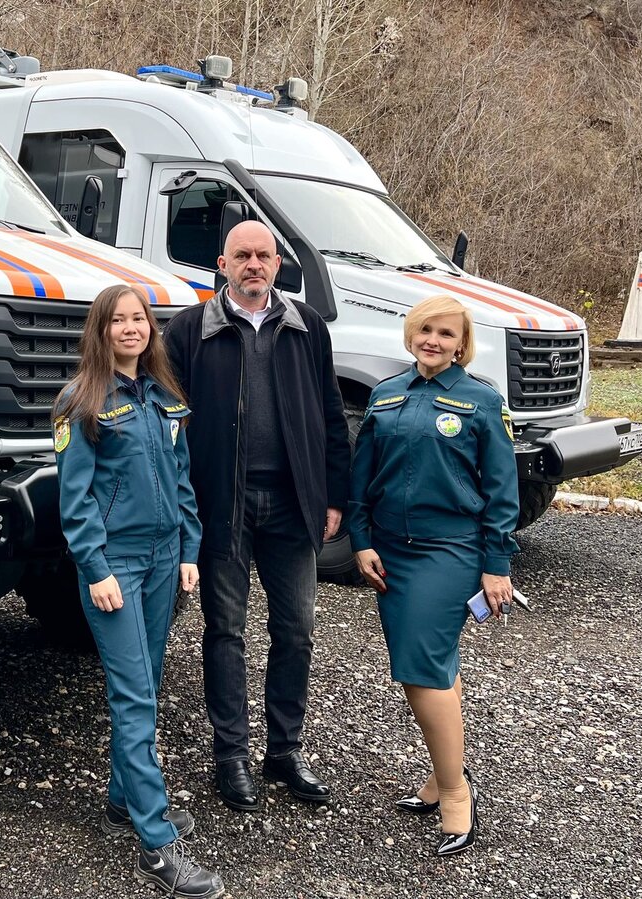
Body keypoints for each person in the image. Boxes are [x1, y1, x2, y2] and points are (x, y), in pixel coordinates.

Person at [162, 221, 350, 812]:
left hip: (293, 504)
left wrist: (335, 497)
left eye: (263, 256)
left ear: (277, 264)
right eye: (241, 255)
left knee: (295, 631)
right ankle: (231, 757)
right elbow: (169, 423)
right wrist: (180, 504)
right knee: (225, 631)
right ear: (222, 263)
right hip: (223, 505)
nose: (253, 264)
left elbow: (330, 415)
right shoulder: (191, 330)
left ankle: (284, 751)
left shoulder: (306, 326)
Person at [55, 284, 224, 899]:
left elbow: (182, 482)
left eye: (139, 320)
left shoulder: (162, 397)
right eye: (118, 320)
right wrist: (95, 568)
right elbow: (73, 501)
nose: (130, 329)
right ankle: (157, 845)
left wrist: (186, 551)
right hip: (116, 569)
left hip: (160, 564)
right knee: (134, 700)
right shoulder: (83, 400)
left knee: (146, 686)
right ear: (100, 331)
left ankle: (123, 800)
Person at [348, 294, 519, 857]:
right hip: (390, 552)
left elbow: (501, 491)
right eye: (426, 330)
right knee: (435, 666)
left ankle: (454, 792)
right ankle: (439, 775)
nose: (434, 341)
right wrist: (363, 542)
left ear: (462, 343)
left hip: (449, 552)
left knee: (420, 669)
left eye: (447, 334)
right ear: (411, 333)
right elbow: (362, 478)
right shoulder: (385, 394)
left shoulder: (482, 402)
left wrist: (497, 565)